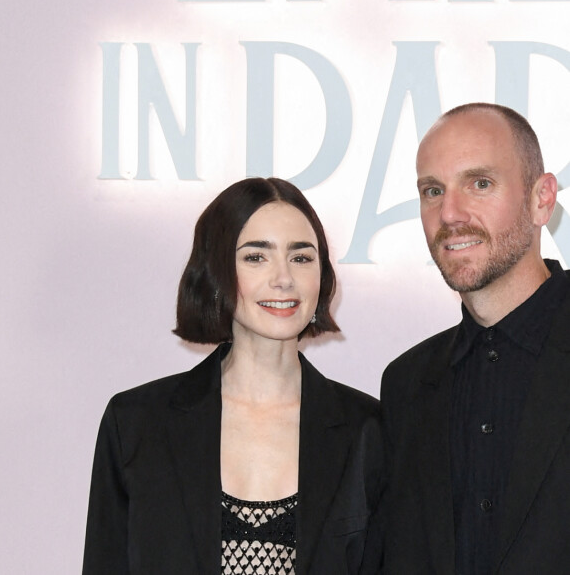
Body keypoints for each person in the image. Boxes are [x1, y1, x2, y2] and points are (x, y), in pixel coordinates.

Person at [83, 177, 383, 575]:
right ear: (216, 272)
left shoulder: (368, 429)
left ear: (322, 276)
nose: (283, 278)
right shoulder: (137, 423)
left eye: (301, 257)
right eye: (256, 257)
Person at [380, 103, 570, 574]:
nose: (450, 213)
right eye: (432, 191)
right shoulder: (405, 385)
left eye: (480, 184)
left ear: (541, 199)